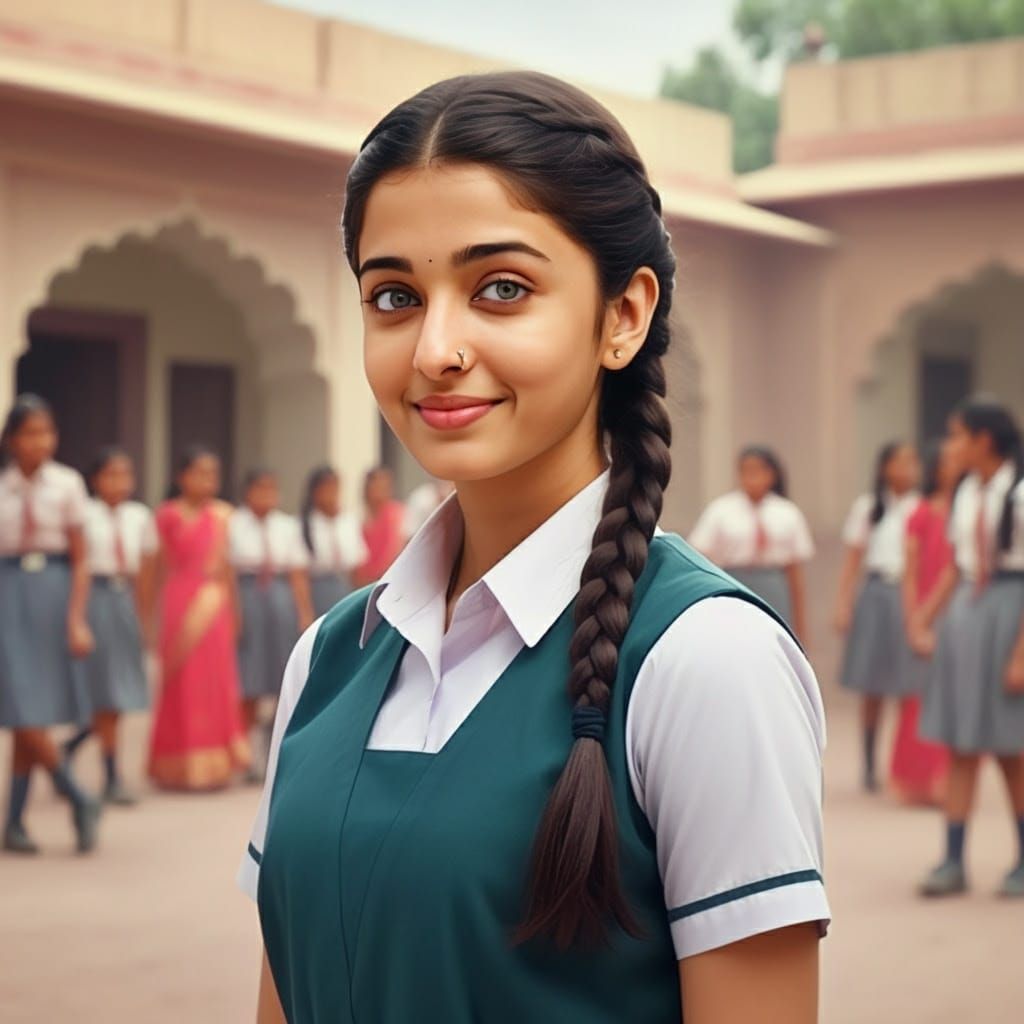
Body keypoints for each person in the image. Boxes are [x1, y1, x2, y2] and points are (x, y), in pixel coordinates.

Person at [239, 72, 828, 1024]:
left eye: (500, 289)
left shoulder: (703, 663)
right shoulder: (327, 661)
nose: (435, 348)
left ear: (624, 315)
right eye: (393, 296)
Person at [912, 397, 1024, 897]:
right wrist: (924, 618)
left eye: (958, 436)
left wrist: (1021, 654)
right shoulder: (967, 494)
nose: (950, 446)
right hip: (968, 614)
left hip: (1010, 612)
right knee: (961, 746)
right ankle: (952, 861)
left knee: (1011, 750)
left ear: (984, 440)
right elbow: (958, 566)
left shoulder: (1019, 494)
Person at [0, 394, 101, 855]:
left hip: (53, 590)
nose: (41, 441)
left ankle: (15, 823)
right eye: (31, 432)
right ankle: (77, 795)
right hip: (7, 591)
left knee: (30, 709)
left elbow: (82, 559)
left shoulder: (67, 484)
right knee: (20, 704)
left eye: (48, 431)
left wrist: (76, 618)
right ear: (11, 439)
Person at [147, 446, 249, 790]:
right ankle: (175, 765)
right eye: (200, 473)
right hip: (178, 601)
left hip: (214, 602)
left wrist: (235, 613)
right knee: (180, 683)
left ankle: (216, 766)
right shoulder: (166, 516)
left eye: (213, 473)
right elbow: (154, 569)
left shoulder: (223, 516)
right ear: (182, 476)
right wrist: (149, 619)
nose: (208, 480)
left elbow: (228, 570)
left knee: (214, 681)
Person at [64, 447, 157, 806]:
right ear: (95, 479)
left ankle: (93, 762)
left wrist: (144, 617)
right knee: (97, 689)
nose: (119, 483)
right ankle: (105, 769)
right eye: (110, 475)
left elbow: (147, 573)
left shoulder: (139, 516)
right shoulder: (84, 515)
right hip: (95, 599)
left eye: (125, 475)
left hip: (124, 600)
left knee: (118, 692)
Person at [834, 441, 921, 792]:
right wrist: (843, 602)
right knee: (872, 683)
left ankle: (903, 763)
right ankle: (869, 764)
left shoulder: (921, 506)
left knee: (908, 682)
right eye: (898, 462)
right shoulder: (869, 507)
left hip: (909, 595)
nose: (905, 469)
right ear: (884, 467)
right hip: (875, 592)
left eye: (911, 462)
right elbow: (853, 558)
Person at [888, 440, 959, 806]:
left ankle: (945, 779)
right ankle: (911, 778)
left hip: (958, 609)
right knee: (917, 696)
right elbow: (911, 570)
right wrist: (913, 619)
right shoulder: (921, 513)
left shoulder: (970, 508)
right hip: (925, 610)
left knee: (953, 696)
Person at [230, 468, 313, 778]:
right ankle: (246, 753)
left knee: (281, 676)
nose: (267, 496)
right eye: (260, 489)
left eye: (272, 489)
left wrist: (304, 613)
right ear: (247, 492)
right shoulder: (233, 524)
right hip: (248, 594)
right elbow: (226, 572)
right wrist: (234, 613)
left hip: (280, 598)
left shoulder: (286, 525)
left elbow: (297, 572)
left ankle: (273, 750)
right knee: (249, 678)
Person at [689, 446, 814, 643]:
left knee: (772, 639)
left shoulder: (787, 512)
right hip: (731, 581)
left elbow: (795, 572)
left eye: (758, 470)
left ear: (772, 474)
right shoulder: (720, 510)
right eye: (746, 470)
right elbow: (699, 556)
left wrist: (801, 628)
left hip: (773, 584)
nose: (752, 477)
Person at [300, 465, 368, 616]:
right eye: (326, 488)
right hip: (318, 588)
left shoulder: (348, 520)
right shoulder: (305, 524)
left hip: (345, 586)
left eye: (334, 488)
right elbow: (299, 575)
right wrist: (305, 613)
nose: (331, 494)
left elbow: (356, 568)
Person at [354, 465, 405, 585]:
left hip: (385, 579)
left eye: (385, 486)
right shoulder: (358, 515)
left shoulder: (396, 512)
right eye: (376, 485)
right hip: (360, 581)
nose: (381, 490)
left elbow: (395, 548)